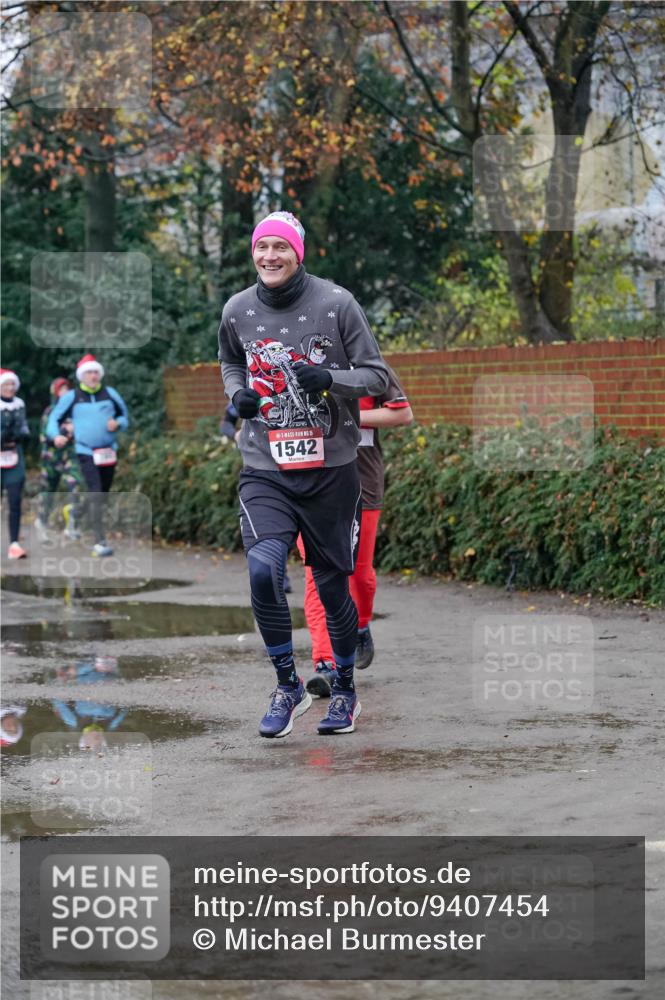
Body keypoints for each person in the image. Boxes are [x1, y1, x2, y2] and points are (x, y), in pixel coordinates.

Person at [218, 210, 389, 738]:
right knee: (262, 569)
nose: (270, 256)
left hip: (330, 469)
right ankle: (287, 685)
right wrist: (237, 395)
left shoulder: (337, 303)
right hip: (264, 466)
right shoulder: (237, 309)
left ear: (298, 253)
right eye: (262, 247)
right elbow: (231, 362)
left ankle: (345, 692)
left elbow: (377, 376)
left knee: (332, 586)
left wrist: (330, 378)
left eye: (281, 247)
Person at [300, 366, 413, 697]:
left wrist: (347, 418)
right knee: (316, 574)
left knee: (359, 575)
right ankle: (325, 663)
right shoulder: (298, 361)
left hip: (362, 484)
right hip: (310, 485)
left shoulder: (370, 365)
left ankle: (360, 625)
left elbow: (402, 414)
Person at [46, 354, 129, 557]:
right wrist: (56, 436)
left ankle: (75, 513)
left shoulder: (110, 393)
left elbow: (124, 417)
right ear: (81, 376)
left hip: (108, 451)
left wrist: (118, 423)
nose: (93, 376)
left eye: (95, 372)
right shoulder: (72, 397)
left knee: (102, 494)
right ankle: (99, 542)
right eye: (89, 372)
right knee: (96, 491)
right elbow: (53, 419)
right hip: (86, 451)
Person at [35, 376, 82, 539]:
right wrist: (61, 433)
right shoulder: (50, 412)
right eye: (61, 389)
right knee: (48, 492)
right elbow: (44, 437)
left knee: (76, 486)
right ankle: (42, 521)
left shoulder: (75, 412)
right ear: (55, 393)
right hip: (51, 458)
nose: (65, 392)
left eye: (67, 388)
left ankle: (72, 524)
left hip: (70, 456)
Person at [1, 368, 30, 559]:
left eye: (12, 384)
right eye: (6, 384)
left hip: (14, 458)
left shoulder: (19, 405)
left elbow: (25, 430)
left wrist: (21, 435)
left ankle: (14, 544)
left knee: (15, 500)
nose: (10, 388)